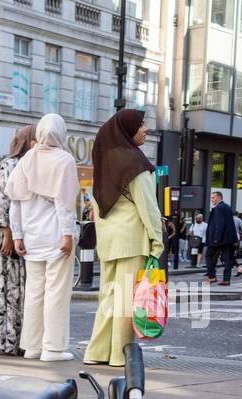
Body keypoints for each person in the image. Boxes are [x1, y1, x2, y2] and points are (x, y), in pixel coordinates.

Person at [86, 108, 164, 367]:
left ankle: (96, 351)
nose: (145, 129)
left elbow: (97, 204)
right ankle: (120, 355)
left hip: (109, 240)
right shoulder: (135, 163)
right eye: (141, 125)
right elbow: (148, 206)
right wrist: (157, 240)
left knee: (108, 296)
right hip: (132, 240)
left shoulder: (105, 160)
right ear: (127, 129)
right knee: (126, 300)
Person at [6, 112, 79, 362]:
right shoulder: (65, 161)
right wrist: (68, 234)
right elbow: (64, 203)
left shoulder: (27, 159)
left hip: (32, 237)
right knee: (56, 292)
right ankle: (53, 348)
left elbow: (15, 201)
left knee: (34, 292)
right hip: (57, 236)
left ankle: (32, 346)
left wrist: (17, 235)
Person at [0, 124, 36, 355]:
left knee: (19, 289)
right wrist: (6, 232)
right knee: (10, 288)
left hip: (23, 233)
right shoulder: (9, 165)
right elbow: (0, 201)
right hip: (9, 234)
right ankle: (10, 340)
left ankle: (18, 339)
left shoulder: (28, 164)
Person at [205, 190, 237, 285]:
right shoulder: (227, 207)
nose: (211, 200)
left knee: (208, 256)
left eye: (213, 197)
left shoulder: (219, 208)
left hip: (218, 239)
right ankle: (226, 280)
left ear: (219, 197)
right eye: (211, 198)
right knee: (227, 259)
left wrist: (216, 238)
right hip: (228, 239)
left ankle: (212, 276)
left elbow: (219, 224)